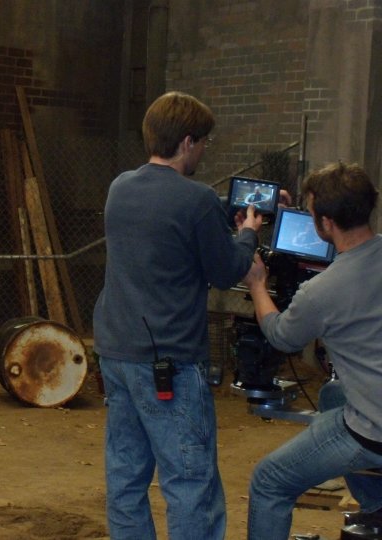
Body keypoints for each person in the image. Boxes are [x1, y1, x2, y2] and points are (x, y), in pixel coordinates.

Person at [93, 91, 263, 540]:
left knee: (126, 477)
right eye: (203, 142)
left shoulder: (120, 187)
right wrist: (248, 234)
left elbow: (169, 211)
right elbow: (226, 270)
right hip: (168, 361)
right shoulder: (197, 200)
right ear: (188, 141)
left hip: (117, 351)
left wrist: (228, 212)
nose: (204, 150)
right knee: (189, 482)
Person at [243, 161, 382, 540]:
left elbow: (282, 336)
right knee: (332, 394)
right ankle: (377, 507)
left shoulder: (321, 292)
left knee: (269, 480)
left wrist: (257, 286)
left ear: (325, 224)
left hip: (375, 429)